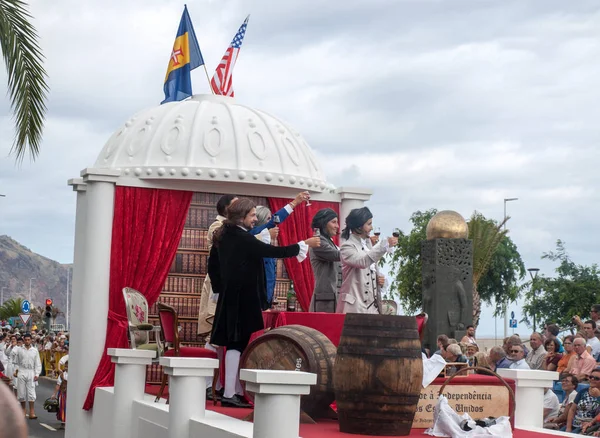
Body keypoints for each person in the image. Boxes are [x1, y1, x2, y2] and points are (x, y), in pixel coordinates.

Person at [208, 198, 320, 408]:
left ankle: (235, 390)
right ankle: (230, 393)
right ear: (241, 217)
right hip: (242, 297)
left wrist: (220, 288)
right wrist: (304, 244)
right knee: (236, 343)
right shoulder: (240, 237)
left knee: (236, 344)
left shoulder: (224, 235)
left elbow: (212, 265)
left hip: (231, 296)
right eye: (251, 215)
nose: (254, 219)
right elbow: (274, 252)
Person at [251, 191, 310, 308]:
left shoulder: (264, 240)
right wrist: (294, 203)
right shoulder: (253, 234)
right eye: (268, 219)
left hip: (266, 295)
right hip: (256, 296)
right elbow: (275, 220)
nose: (271, 222)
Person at [336, 207, 397, 314]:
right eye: (369, 224)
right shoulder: (347, 247)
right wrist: (382, 246)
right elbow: (362, 262)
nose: (372, 227)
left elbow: (369, 272)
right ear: (359, 226)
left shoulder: (368, 245)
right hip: (353, 307)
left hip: (372, 308)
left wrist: (379, 281)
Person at [197, 194, 238, 337]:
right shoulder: (217, 226)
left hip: (228, 279)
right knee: (215, 321)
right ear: (227, 208)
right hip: (218, 278)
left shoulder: (234, 227)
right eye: (236, 204)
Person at [308, 208, 341, 313]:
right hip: (325, 302)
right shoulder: (318, 241)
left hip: (333, 297)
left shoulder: (328, 241)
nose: (337, 226)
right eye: (334, 222)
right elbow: (337, 255)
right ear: (324, 223)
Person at [564, 367, 600, 433]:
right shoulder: (583, 392)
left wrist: (598, 396)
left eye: (596, 378)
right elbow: (572, 410)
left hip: (589, 426)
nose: (592, 379)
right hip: (574, 424)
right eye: (591, 377)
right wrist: (568, 427)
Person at [14, 333, 41, 419]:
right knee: (21, 392)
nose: (27, 341)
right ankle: (23, 410)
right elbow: (16, 362)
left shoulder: (35, 350)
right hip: (22, 371)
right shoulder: (19, 350)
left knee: (31, 392)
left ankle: (32, 412)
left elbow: (38, 363)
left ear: (31, 340)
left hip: (31, 372)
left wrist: (37, 374)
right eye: (25, 340)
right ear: (23, 340)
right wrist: (16, 371)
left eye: (29, 339)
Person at [51, 359, 68, 428]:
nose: (66, 368)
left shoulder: (74, 374)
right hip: (63, 393)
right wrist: (54, 394)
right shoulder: (62, 375)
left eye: (68, 366)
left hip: (71, 394)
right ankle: (63, 422)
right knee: (62, 406)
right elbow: (58, 385)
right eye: (65, 366)